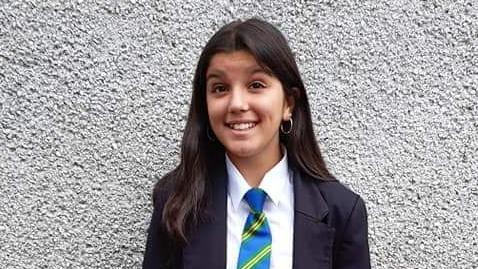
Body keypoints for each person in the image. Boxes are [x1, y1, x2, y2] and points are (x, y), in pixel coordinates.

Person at [143, 18, 370, 269]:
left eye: (256, 85)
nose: (237, 104)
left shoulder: (342, 212)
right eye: (220, 88)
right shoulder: (175, 202)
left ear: (289, 103)